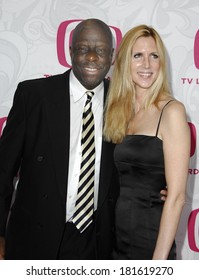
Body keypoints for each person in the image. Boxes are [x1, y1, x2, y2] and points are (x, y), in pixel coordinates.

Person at [0, 19, 167, 260]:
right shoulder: (34, 96)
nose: (91, 57)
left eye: (100, 50)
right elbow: (3, 171)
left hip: (96, 243)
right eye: (83, 48)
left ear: (111, 56)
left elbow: (136, 158)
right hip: (33, 239)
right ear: (70, 52)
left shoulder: (124, 103)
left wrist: (157, 183)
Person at [103, 24, 190, 260]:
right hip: (114, 239)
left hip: (151, 240)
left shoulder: (171, 112)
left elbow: (177, 197)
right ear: (124, 62)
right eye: (138, 56)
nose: (147, 65)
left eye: (154, 56)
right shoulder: (117, 110)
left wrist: (157, 264)